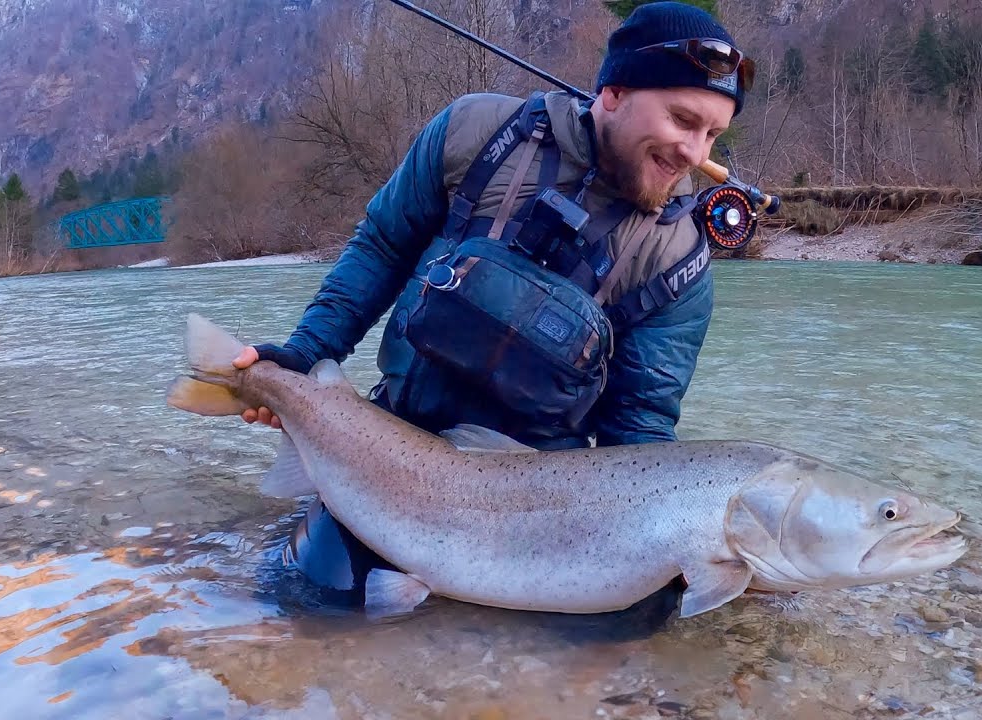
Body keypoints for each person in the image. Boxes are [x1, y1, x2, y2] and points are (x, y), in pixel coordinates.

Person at [234, 2, 755, 613]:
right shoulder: (476, 134)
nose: (695, 152)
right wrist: (303, 358)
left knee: (633, 621)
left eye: (712, 135)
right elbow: (381, 247)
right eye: (682, 120)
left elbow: (638, 430)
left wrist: (681, 548)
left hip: (540, 498)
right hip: (395, 452)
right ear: (612, 92)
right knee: (319, 599)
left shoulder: (678, 259)